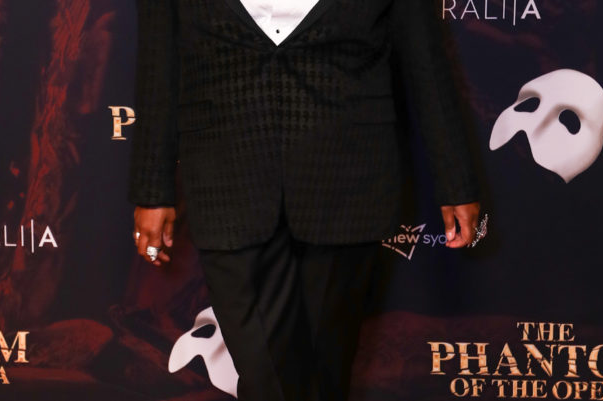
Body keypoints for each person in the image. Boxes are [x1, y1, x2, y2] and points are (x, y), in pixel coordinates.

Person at [129, 1, 483, 400]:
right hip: (226, 183)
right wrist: (152, 189)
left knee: (325, 374)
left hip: (346, 179)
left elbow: (426, 60)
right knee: (265, 377)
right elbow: (157, 65)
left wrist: (456, 181)